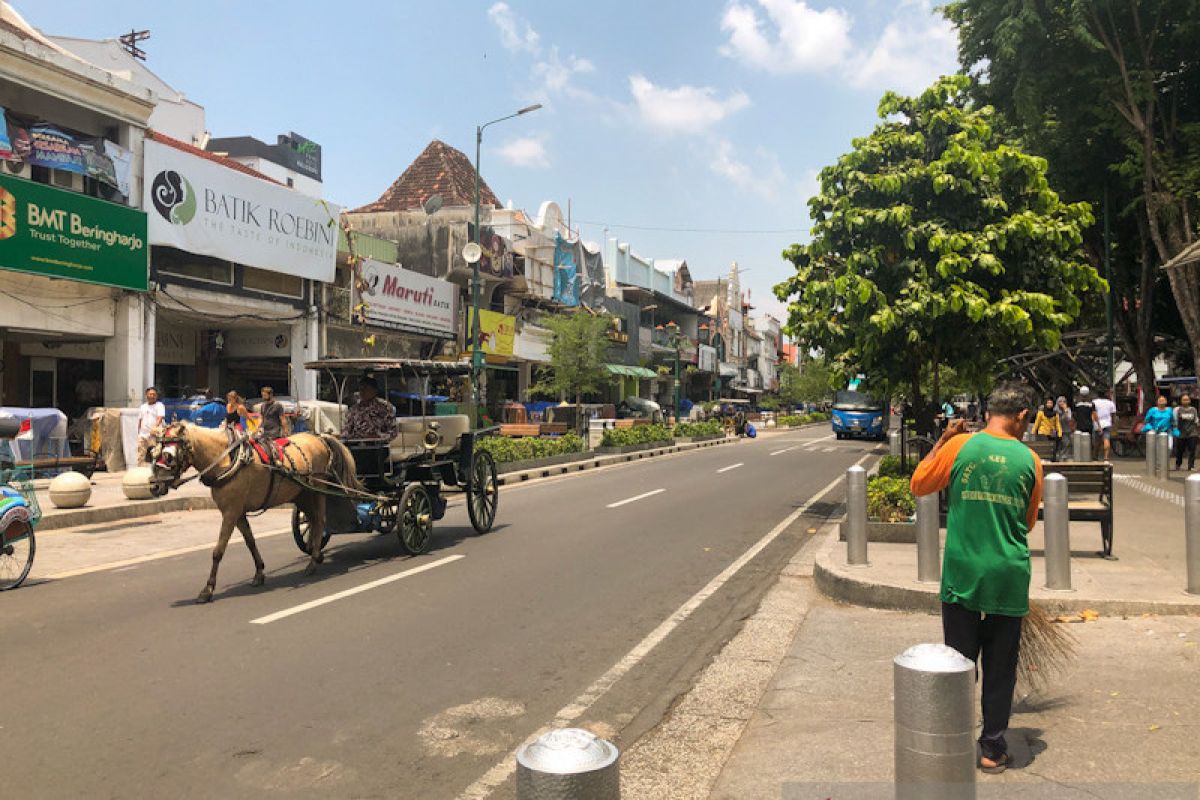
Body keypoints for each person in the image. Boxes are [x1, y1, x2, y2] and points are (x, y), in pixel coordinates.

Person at [910, 383, 1044, 775]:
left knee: (958, 663)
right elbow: (1029, 521)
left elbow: (920, 484)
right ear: (1020, 417)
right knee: (1001, 668)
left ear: (989, 413)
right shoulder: (1030, 460)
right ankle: (991, 748)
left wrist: (942, 441)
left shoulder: (958, 448)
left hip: (962, 574)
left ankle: (951, 742)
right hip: (1008, 576)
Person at [136, 387, 165, 465]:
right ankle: (140, 471)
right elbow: (140, 420)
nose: (152, 396)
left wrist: (154, 429)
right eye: (150, 394)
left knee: (155, 454)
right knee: (140, 454)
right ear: (146, 395)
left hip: (154, 434)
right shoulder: (143, 407)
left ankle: (154, 471)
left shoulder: (159, 405)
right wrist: (138, 433)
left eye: (154, 394)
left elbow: (160, 418)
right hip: (143, 434)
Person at [1173, 394, 1198, 472]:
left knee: (1192, 450)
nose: (1186, 401)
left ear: (1190, 401)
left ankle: (1191, 466)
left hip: (1192, 433)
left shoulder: (1193, 409)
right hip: (1181, 434)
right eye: (1184, 399)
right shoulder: (1178, 410)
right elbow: (1175, 421)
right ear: (1181, 401)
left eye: (1187, 399)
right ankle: (1178, 464)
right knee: (1180, 451)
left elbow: (1196, 420)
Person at [1093, 391, 1118, 461]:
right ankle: (1106, 457)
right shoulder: (1110, 403)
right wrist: (1113, 423)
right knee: (1106, 439)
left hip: (1097, 424)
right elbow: (1113, 414)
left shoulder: (1094, 402)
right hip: (1107, 423)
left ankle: (1095, 456)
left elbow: (1093, 414)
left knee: (1097, 441)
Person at [1054, 396, 1072, 460]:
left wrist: (1065, 410)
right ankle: (1058, 456)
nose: (1062, 403)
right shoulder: (1055, 411)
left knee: (1067, 443)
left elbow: (1068, 419)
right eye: (1060, 401)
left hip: (1066, 430)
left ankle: (1064, 456)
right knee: (1059, 444)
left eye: (1064, 401)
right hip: (1057, 430)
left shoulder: (1068, 410)